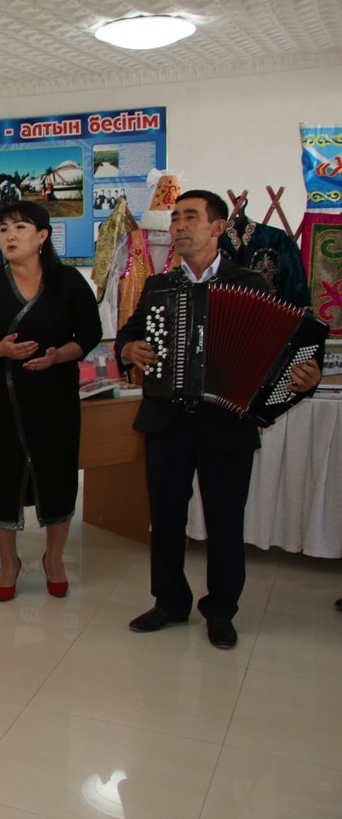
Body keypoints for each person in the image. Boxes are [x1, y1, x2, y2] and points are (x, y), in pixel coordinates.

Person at [115, 190, 322, 649]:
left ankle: (222, 609)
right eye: (175, 218)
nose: (179, 225)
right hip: (166, 420)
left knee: (225, 521)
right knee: (166, 516)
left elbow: (285, 348)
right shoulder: (159, 285)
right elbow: (129, 334)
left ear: (217, 227)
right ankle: (169, 601)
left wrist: (304, 377)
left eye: (190, 216)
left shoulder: (251, 283)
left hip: (227, 424)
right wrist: (128, 348)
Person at [0, 200, 102, 601]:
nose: (10, 236)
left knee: (57, 472)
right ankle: (9, 562)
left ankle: (54, 558)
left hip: (57, 395)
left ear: (42, 236)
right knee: (3, 476)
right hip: (5, 397)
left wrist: (58, 356)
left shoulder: (68, 281)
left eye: (20, 227)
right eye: (4, 228)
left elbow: (89, 333)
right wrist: (1, 350)